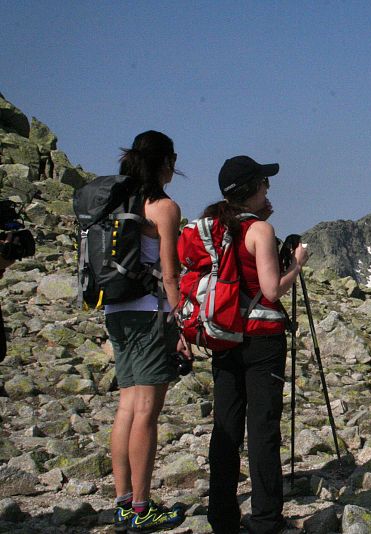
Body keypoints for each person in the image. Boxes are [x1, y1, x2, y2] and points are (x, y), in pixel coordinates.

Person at [204, 156, 307, 534]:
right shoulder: (260, 230)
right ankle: (265, 518)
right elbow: (270, 289)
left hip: (222, 334)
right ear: (251, 190)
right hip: (261, 340)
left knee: (226, 427)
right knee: (263, 429)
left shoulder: (212, 225)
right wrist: (295, 264)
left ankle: (222, 518)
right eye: (264, 182)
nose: (269, 187)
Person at [107, 131, 188, 532]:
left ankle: (122, 502)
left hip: (116, 309)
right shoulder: (164, 207)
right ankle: (141, 508)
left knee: (126, 406)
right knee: (146, 413)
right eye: (172, 159)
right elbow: (170, 272)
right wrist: (182, 321)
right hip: (151, 313)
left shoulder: (118, 201)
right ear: (163, 162)